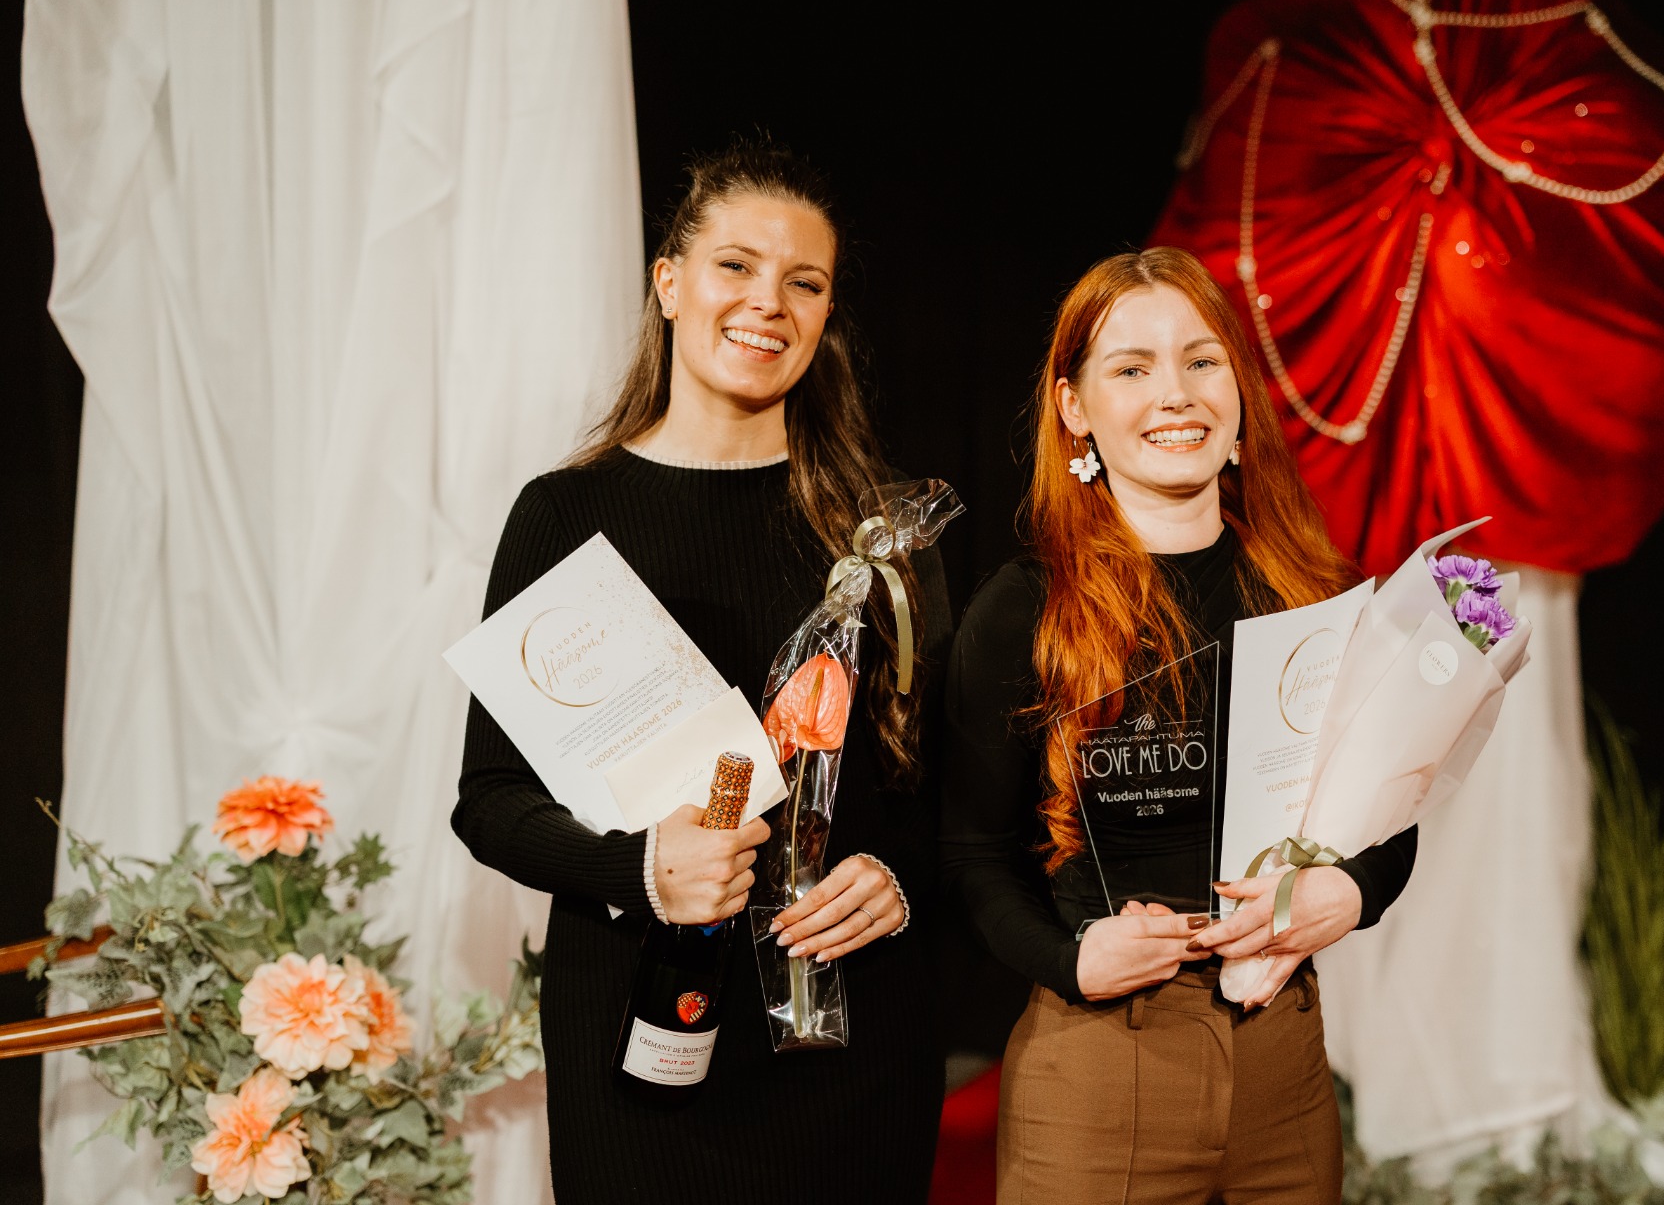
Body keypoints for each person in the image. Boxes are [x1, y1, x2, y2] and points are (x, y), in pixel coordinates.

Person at [452, 141, 949, 1204]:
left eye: (803, 282)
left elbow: (951, 797)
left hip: (850, 1045)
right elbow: (488, 802)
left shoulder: (883, 532)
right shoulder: (564, 515)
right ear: (669, 282)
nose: (768, 301)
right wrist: (640, 871)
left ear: (825, 314)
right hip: (636, 1043)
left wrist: (897, 882)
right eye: (735, 265)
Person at [942, 246, 1418, 1204]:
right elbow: (970, 850)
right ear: (1074, 407)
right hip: (1099, 1068)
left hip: (1284, 1059)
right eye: (1132, 368)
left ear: (1238, 391)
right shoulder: (1023, 611)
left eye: (1202, 361)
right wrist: (1073, 958)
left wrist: (1355, 891)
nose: (1177, 394)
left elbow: (1386, 813)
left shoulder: (1312, 595)